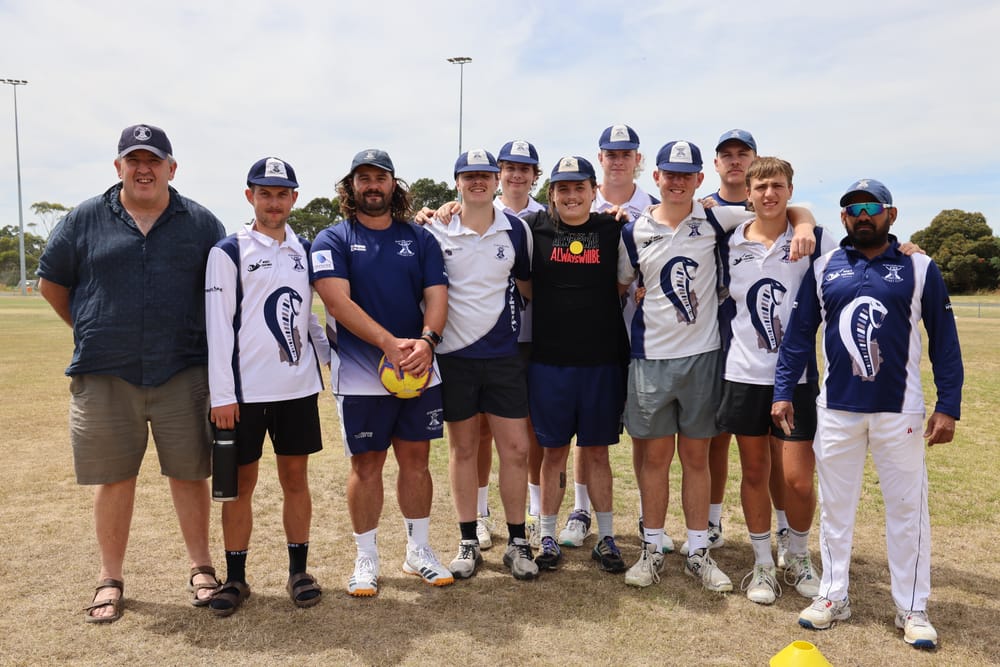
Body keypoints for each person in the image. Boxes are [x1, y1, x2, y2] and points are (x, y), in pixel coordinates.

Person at [37, 124, 224, 623]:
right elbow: (52, 283)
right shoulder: (83, 219)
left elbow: (228, 288)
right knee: (114, 479)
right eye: (133, 160)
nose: (144, 169)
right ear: (118, 166)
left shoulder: (202, 223)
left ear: (171, 168)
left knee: (189, 474)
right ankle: (110, 578)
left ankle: (202, 567)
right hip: (106, 373)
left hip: (182, 369)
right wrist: (91, 328)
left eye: (154, 160)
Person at [773, 179, 963, 650]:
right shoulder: (823, 269)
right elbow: (798, 336)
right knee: (837, 509)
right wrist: (782, 392)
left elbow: (944, 340)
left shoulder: (920, 267)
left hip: (900, 410)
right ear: (842, 220)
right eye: (852, 209)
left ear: (891, 215)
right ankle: (834, 596)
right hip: (837, 411)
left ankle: (912, 607)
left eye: (871, 208)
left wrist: (949, 405)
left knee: (907, 511)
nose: (862, 215)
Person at [618, 141, 816, 591]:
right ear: (656, 179)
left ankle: (697, 550)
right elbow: (622, 284)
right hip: (648, 360)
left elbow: (785, 209)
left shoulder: (716, 218)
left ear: (699, 180)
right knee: (653, 459)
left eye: (686, 175)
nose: (677, 181)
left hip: (704, 358)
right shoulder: (632, 230)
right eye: (670, 174)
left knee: (695, 458)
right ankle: (651, 549)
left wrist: (804, 221)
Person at [311, 149, 453, 596]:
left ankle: (418, 551)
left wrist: (427, 342)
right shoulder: (331, 239)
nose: (372, 185)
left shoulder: (421, 239)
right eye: (364, 178)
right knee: (366, 465)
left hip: (417, 368)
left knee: (416, 463)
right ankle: (367, 558)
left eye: (381, 178)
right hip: (360, 373)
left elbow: (436, 295)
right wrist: (390, 345)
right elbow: (337, 302)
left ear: (394, 185)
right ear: (351, 187)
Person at [204, 157, 329, 616]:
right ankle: (235, 579)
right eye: (264, 193)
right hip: (243, 395)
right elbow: (218, 327)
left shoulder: (307, 248)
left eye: (282, 194)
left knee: (296, 479)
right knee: (240, 484)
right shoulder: (229, 250)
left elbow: (316, 314)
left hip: (297, 389)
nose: (273, 203)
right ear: (249, 196)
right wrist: (222, 395)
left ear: (294, 198)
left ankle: (299, 571)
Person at [714, 157, 831, 604]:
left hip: (796, 379)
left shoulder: (813, 238)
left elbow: (859, 258)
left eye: (777, 186)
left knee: (799, 479)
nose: (768, 194)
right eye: (760, 186)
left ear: (790, 189)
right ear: (748, 192)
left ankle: (798, 554)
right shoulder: (730, 242)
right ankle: (762, 562)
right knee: (756, 472)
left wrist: (908, 250)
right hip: (742, 374)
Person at [423, 149, 538, 580]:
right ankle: (468, 540)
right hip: (454, 358)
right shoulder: (434, 229)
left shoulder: (517, 230)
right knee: (464, 450)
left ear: (496, 181)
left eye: (485, 175)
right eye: (468, 176)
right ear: (456, 182)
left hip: (504, 357)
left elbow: (527, 288)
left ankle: (518, 542)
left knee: (516, 449)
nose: (477, 182)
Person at [561, 124, 671, 553]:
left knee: (645, 432)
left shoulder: (658, 207)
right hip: (592, 338)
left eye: (627, 153)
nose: (619, 160)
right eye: (611, 153)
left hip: (646, 337)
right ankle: (580, 510)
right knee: (586, 434)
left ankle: (649, 517)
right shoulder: (582, 202)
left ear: (637, 160)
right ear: (600, 157)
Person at [526, 156, 630, 574]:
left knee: (598, 452)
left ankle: (606, 537)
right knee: (553, 452)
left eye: (579, 188)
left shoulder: (612, 230)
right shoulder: (535, 230)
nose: (571, 196)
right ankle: (547, 534)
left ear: (593, 191)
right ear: (551, 193)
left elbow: (623, 283)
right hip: (550, 361)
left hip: (602, 360)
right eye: (562, 189)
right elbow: (524, 283)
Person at [475, 140, 548, 550]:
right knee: (482, 431)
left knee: (532, 431)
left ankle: (535, 513)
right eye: (510, 167)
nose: (517, 175)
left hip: (534, 336)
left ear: (535, 174)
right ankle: (481, 515)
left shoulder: (546, 216)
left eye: (526, 168)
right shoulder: (479, 210)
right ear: (499, 171)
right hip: (490, 337)